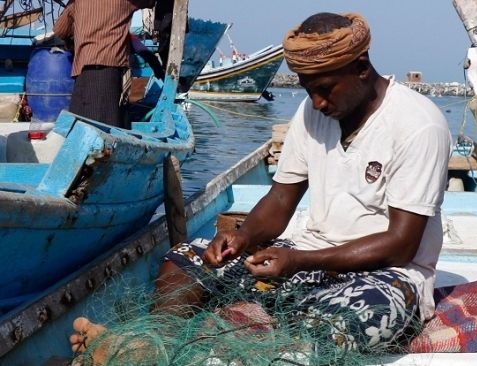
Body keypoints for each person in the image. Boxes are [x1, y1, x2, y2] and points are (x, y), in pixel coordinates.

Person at [70, 11, 452, 359]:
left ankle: (228, 345)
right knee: (186, 259)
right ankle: (154, 346)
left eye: (325, 89)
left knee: (338, 323)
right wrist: (243, 237)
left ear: (362, 67)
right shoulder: (313, 112)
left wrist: (299, 261)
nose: (316, 103)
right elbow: (282, 197)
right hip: (309, 254)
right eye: (307, 90)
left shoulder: (417, 124)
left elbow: (401, 244)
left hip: (387, 274)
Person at [53, 0, 157, 128]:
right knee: (106, 133)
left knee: (79, 129)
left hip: (82, 74)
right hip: (108, 75)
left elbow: (60, 30)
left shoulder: (76, 2)